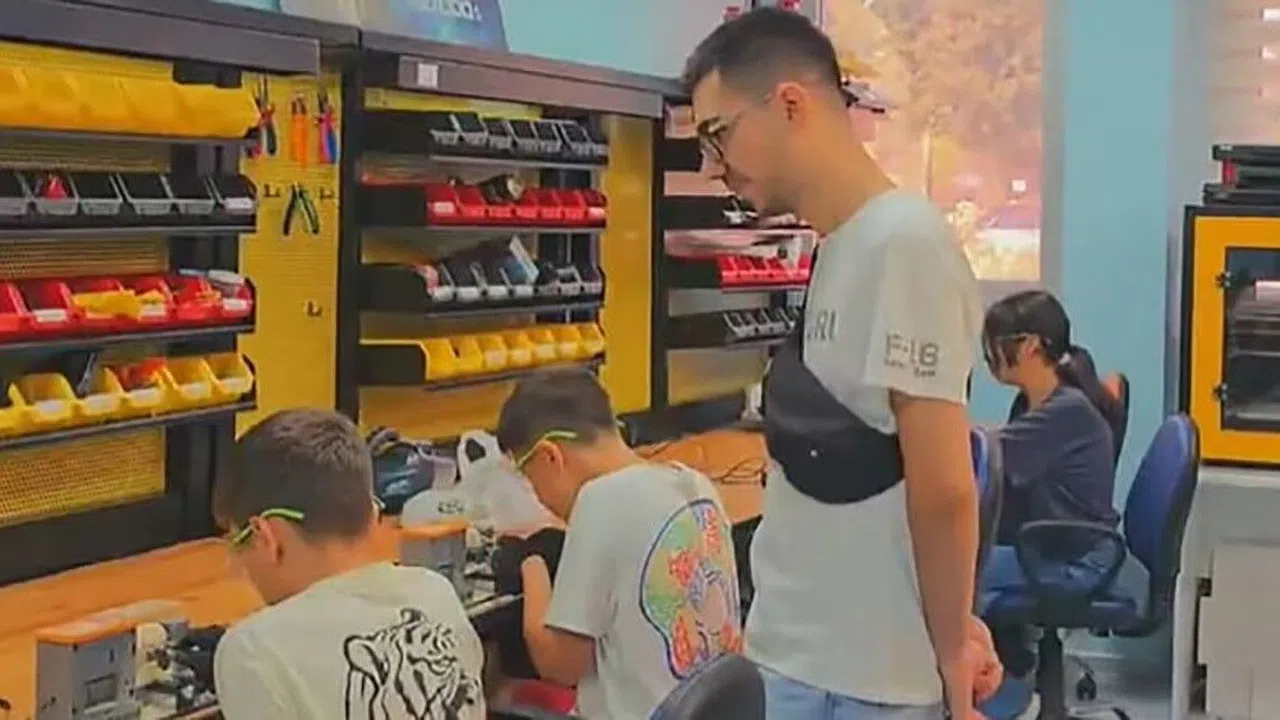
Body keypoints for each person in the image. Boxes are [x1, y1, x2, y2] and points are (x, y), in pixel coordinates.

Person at [683, 8, 988, 719]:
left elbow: (944, 490)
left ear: (790, 105)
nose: (710, 165)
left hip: (858, 687)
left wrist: (950, 649)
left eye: (716, 134)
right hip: (799, 659)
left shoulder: (903, 244)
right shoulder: (841, 246)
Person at [493, 368, 741, 719]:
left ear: (551, 457)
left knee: (495, 691)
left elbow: (560, 664)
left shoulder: (599, 502)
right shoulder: (696, 484)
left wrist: (530, 563)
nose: (540, 499)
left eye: (531, 481)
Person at [211, 408, 486, 720]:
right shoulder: (435, 593)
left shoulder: (254, 649)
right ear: (372, 513)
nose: (240, 564)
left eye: (237, 542)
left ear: (266, 537)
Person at [976, 290, 1123, 719]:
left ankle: (1007, 693)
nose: (989, 356)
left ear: (1029, 346)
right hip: (1058, 544)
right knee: (965, 558)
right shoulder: (1038, 401)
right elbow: (997, 452)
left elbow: (985, 454)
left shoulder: (1066, 411)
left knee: (949, 575)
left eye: (995, 344)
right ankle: (1011, 680)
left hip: (1072, 558)